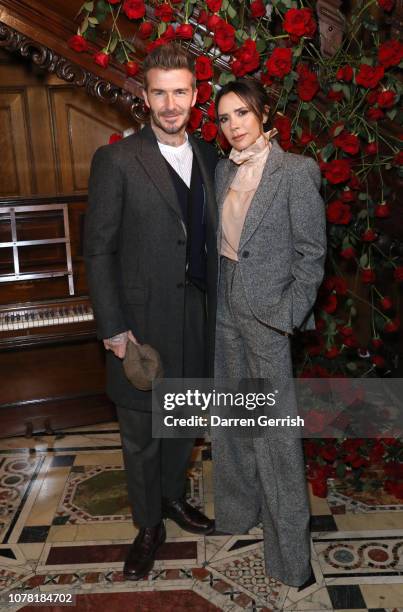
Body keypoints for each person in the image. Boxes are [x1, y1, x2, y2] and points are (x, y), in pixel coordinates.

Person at [84, 42, 218, 580]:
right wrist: (114, 326)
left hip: (199, 315)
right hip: (139, 322)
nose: (169, 103)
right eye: (159, 92)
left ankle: (171, 497)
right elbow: (98, 248)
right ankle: (148, 525)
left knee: (184, 421)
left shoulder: (210, 156)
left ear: (193, 94)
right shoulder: (116, 159)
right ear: (144, 95)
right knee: (141, 431)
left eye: (179, 92)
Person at [211, 79, 326, 587]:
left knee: (277, 438)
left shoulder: (296, 172)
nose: (234, 126)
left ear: (262, 114)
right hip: (224, 314)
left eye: (241, 114)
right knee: (232, 425)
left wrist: (285, 316)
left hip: (266, 319)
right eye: (224, 119)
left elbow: (312, 256)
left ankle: (290, 561)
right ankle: (238, 517)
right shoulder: (221, 171)